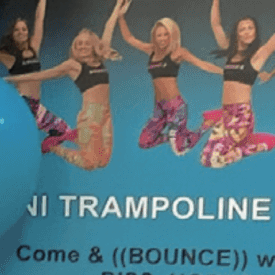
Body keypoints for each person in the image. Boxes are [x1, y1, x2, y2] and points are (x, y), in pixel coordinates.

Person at [7, 0, 127, 170]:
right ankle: (55, 147)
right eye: (79, 44)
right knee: (90, 163)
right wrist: (12, 80)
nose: (83, 46)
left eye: (86, 43)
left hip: (106, 114)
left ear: (93, 45)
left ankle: (73, 136)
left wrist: (117, 8)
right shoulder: (73, 65)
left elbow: (109, 27)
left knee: (104, 161)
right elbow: (43, 75)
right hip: (91, 114)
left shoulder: (100, 59)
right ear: (75, 48)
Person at [0, 0, 75, 153]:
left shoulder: (34, 47)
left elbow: (39, 18)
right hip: (24, 103)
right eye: (17, 30)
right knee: (23, 141)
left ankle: (45, 145)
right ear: (12, 35)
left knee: (64, 130)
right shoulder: (9, 57)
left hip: (36, 105)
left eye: (24, 29)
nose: (21, 32)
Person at [117, 2, 218, 154]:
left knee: (180, 149)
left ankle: (206, 124)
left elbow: (202, 64)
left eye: (166, 34)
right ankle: (175, 136)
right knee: (144, 142)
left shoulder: (178, 53)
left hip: (176, 107)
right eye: (159, 35)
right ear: (154, 37)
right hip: (159, 108)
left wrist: (225, 72)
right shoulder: (151, 50)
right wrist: (120, 18)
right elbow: (129, 38)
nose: (163, 38)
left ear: (172, 36)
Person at [196, 0, 275, 167]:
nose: (247, 32)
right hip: (226, 115)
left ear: (255, 32)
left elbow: (271, 43)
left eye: (250, 28)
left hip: (241, 117)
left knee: (215, 159)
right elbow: (216, 25)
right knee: (205, 159)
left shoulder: (256, 58)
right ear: (237, 33)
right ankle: (247, 141)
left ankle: (262, 142)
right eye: (242, 29)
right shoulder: (230, 54)